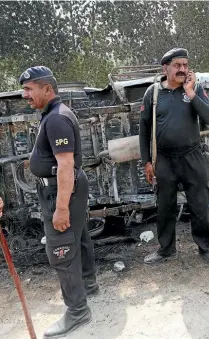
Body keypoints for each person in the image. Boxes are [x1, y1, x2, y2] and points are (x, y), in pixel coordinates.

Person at [19, 66, 97, 338]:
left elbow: (65, 165)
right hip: (61, 188)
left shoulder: (56, 119)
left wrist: (61, 207)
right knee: (78, 237)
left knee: (62, 249)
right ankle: (88, 285)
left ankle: (77, 311)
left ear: (47, 89)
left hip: (60, 191)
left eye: (29, 89)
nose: (24, 94)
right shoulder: (53, 115)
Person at [139, 48, 209, 266]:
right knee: (165, 206)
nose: (182, 69)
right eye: (177, 65)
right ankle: (166, 250)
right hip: (165, 160)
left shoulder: (195, 88)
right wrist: (147, 161)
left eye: (185, 65)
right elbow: (144, 130)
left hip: (192, 157)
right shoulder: (153, 93)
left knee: (199, 205)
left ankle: (206, 248)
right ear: (165, 68)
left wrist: (191, 93)